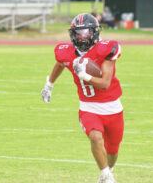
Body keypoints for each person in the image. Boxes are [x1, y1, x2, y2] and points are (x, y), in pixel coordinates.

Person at [41, 13, 124, 183]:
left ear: (94, 32)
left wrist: (84, 76)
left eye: (86, 32)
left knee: (113, 150)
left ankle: (109, 170)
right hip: (88, 107)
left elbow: (105, 83)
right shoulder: (65, 52)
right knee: (95, 137)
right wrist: (49, 83)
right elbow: (60, 63)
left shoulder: (106, 49)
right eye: (79, 32)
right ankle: (106, 175)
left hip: (112, 107)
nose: (82, 36)